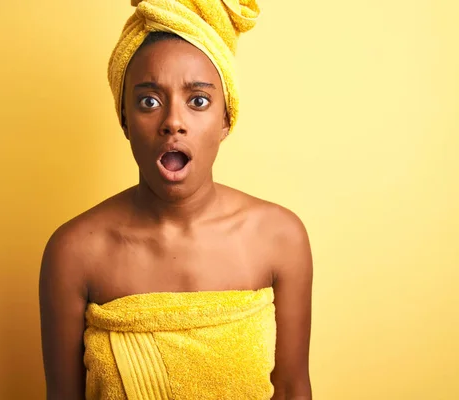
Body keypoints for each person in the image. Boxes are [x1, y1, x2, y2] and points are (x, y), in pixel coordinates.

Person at [39, 1, 313, 399]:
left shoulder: (280, 238)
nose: (173, 121)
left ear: (225, 119)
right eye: (149, 101)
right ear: (125, 120)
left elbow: (292, 388)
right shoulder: (74, 253)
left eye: (198, 100)